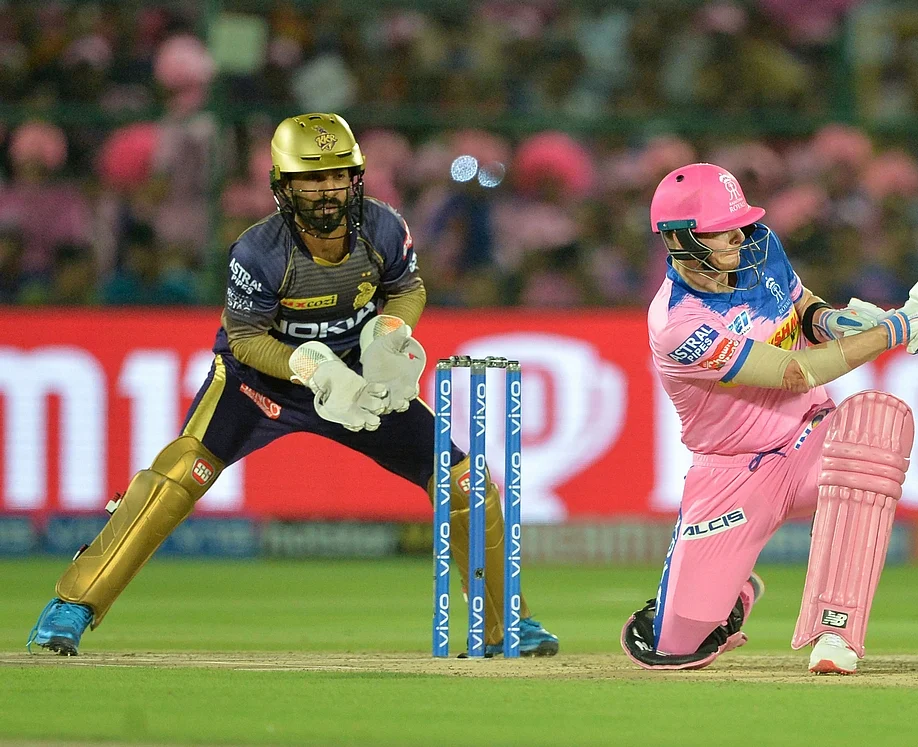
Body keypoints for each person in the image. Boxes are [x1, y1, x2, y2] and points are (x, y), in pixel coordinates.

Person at [28, 113, 558, 658]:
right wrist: (313, 369)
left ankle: (504, 625)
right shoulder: (258, 251)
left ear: (355, 177)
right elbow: (245, 341)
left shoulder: (382, 227)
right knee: (178, 474)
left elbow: (407, 288)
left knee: (465, 483)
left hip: (358, 383)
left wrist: (388, 337)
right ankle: (73, 604)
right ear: (283, 186)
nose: (327, 190)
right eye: (312, 178)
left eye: (338, 175)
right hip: (259, 386)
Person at [620, 163, 918, 673]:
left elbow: (800, 307)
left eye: (739, 222)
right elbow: (794, 372)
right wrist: (897, 329)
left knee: (873, 423)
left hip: (810, 438)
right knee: (675, 645)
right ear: (679, 239)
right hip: (731, 472)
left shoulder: (761, 250)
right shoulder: (679, 323)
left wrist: (834, 320)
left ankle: (836, 631)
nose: (739, 235)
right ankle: (730, 594)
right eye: (722, 229)